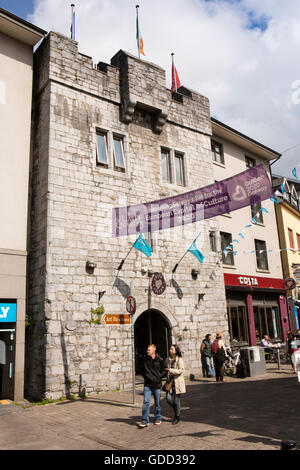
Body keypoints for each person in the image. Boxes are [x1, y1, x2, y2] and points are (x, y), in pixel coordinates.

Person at [138, 344, 164, 428]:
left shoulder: (159, 359)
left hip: (157, 384)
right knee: (146, 402)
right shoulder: (145, 359)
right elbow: (141, 369)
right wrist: (146, 376)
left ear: (154, 350)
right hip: (147, 384)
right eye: (147, 350)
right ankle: (145, 420)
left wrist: (159, 377)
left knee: (157, 403)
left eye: (149, 350)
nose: (147, 351)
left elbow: (164, 370)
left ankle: (158, 417)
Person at [164, 344, 186, 425]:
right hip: (170, 383)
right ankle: (177, 410)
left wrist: (171, 370)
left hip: (178, 382)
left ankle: (177, 416)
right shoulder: (167, 359)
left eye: (172, 349)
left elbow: (181, 370)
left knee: (176, 401)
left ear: (176, 351)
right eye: (170, 349)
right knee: (168, 398)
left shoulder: (179, 360)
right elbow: (165, 368)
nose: (170, 350)